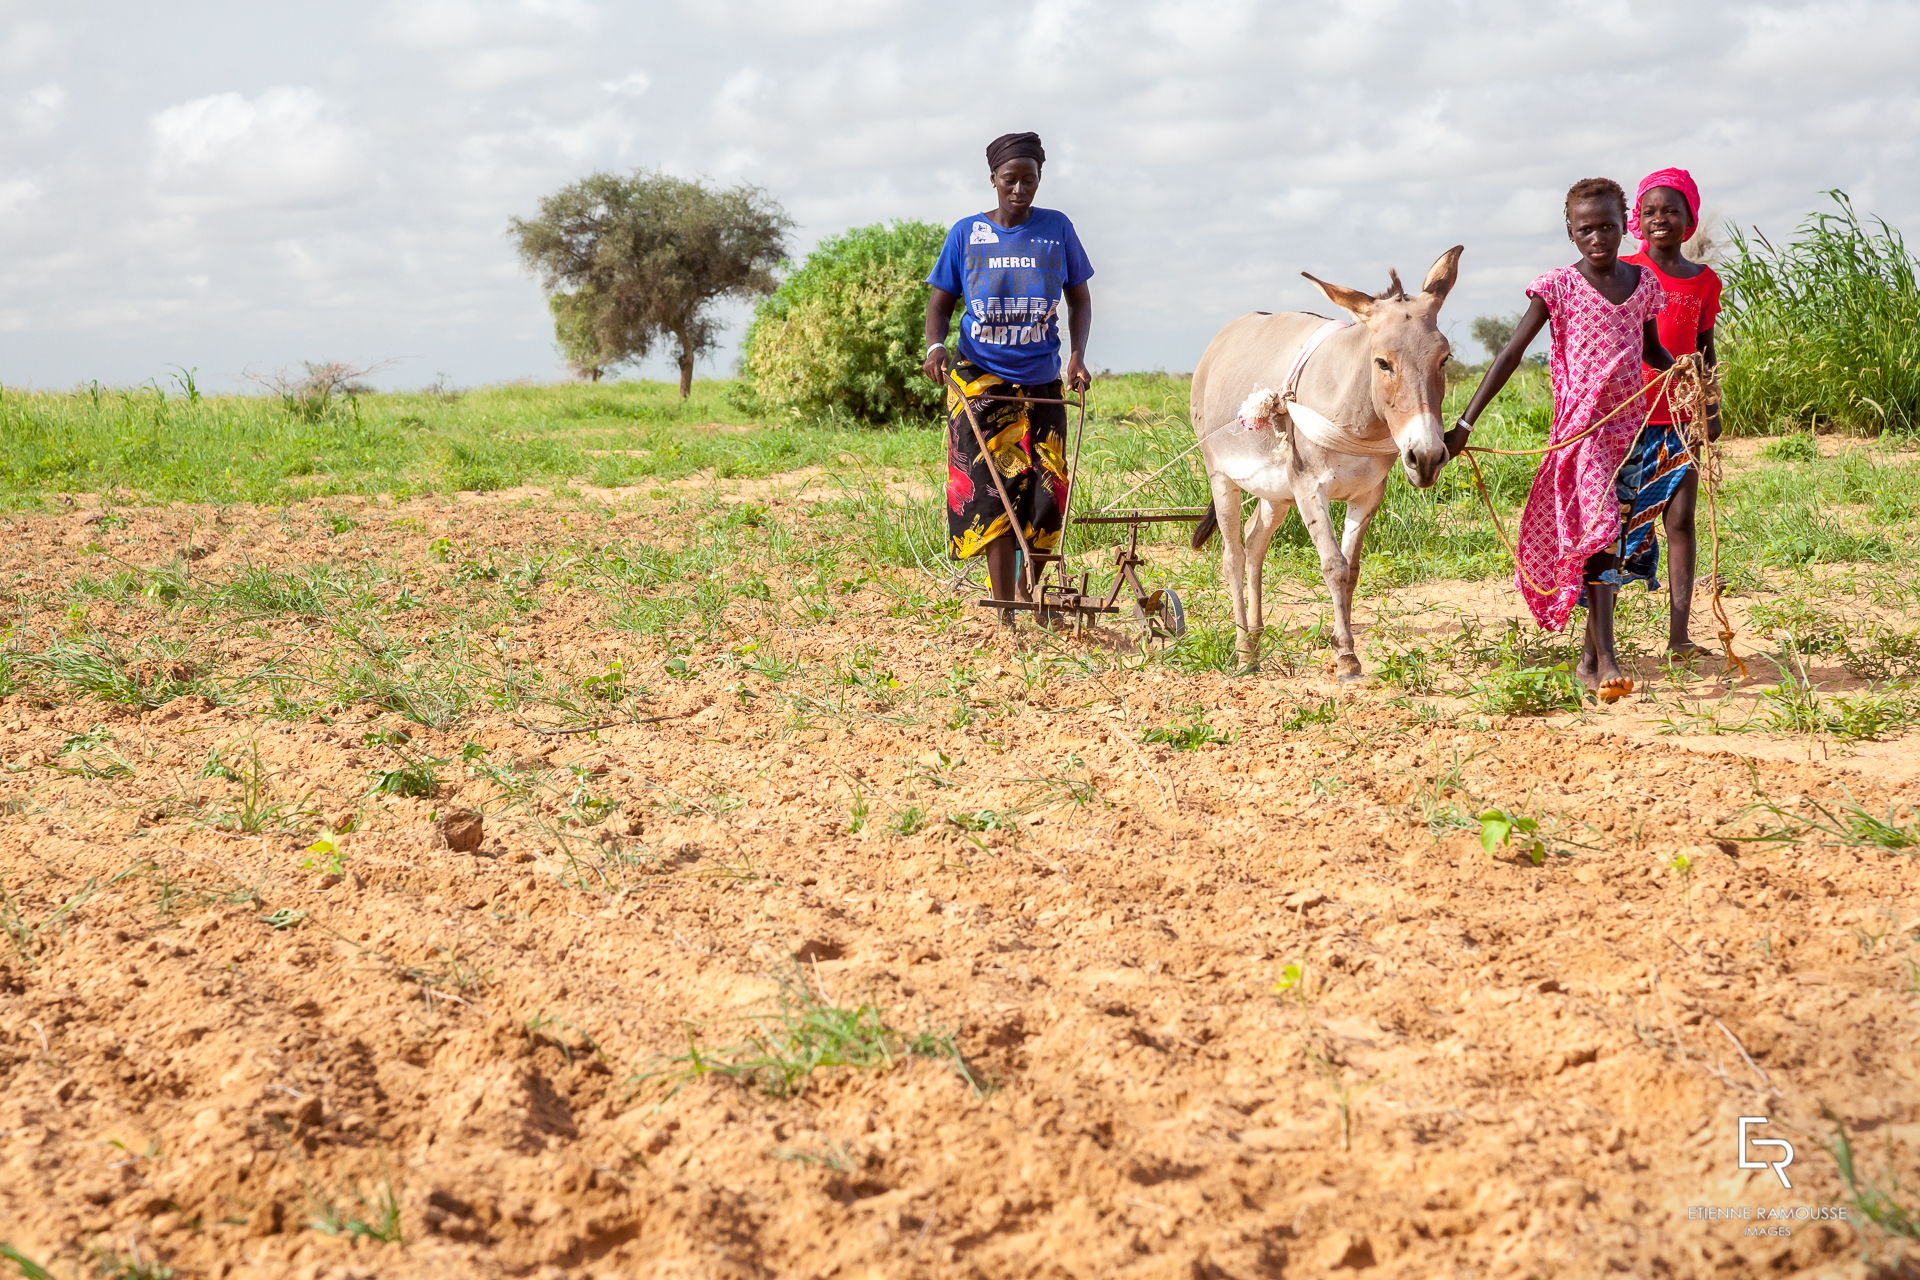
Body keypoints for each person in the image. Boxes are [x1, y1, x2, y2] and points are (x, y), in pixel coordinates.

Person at [1446, 177, 1674, 703]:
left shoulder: (1642, 286)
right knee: (1598, 526)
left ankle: (1590, 657)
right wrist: (1465, 423)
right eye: (1585, 229)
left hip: (1626, 431)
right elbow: (1508, 356)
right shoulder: (1558, 288)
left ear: (1626, 226)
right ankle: (1609, 658)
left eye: (1608, 227)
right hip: (1580, 434)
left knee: (1608, 537)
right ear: (1570, 233)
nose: (1598, 237)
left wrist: (1689, 372)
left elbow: (1652, 352)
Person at [923, 131, 1094, 619]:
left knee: (1047, 486)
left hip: (1041, 375)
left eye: (1029, 180)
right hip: (979, 376)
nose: (1019, 189)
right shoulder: (966, 234)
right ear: (993, 180)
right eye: (1010, 180)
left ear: (1040, 180)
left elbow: (1079, 297)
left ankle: (1030, 589)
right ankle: (1003, 606)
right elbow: (941, 303)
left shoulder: (1056, 229)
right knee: (992, 489)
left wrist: (1077, 356)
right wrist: (936, 348)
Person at [1619, 167, 1723, 658]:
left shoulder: (1703, 281)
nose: (1660, 219)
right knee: (1614, 523)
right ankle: (1599, 639)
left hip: (1681, 418)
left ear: (1689, 220)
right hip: (1623, 418)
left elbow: (1704, 348)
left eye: (1671, 211)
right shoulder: (1624, 271)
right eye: (1650, 211)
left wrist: (1711, 406)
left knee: (1681, 520)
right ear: (1637, 220)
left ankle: (1679, 636)